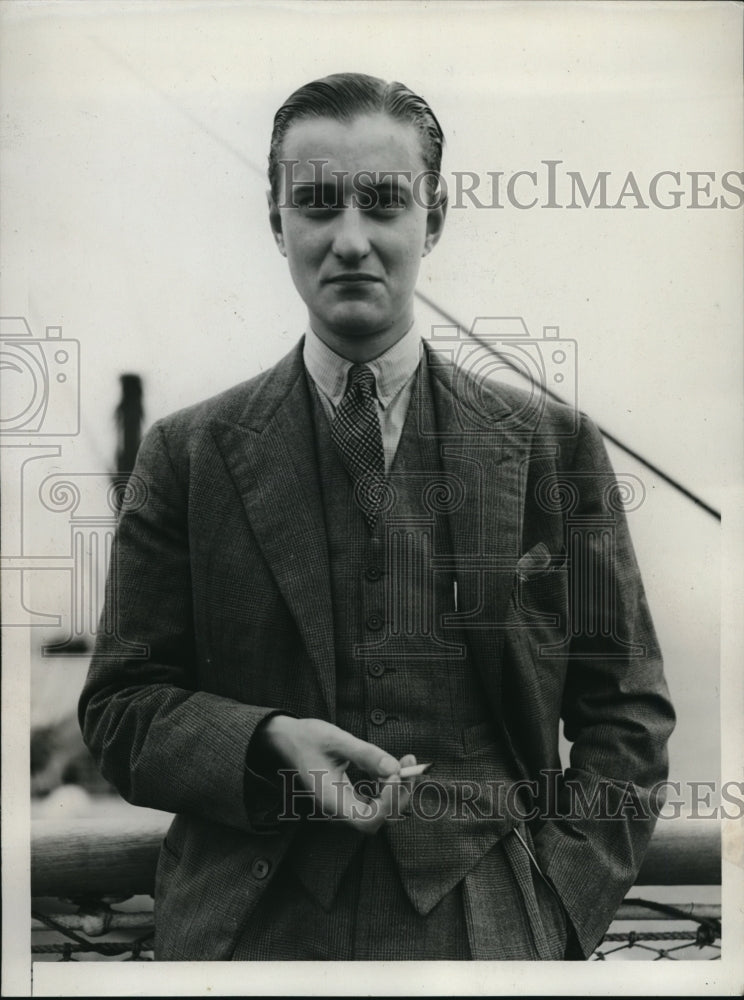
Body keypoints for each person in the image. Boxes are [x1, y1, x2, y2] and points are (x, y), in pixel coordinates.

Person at [79, 72, 675, 961]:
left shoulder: (552, 447)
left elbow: (627, 713)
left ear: (433, 219)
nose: (351, 239)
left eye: (385, 203)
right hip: (248, 938)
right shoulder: (186, 455)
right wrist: (266, 740)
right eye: (318, 204)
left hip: (487, 936)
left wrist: (557, 906)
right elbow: (119, 709)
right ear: (277, 222)